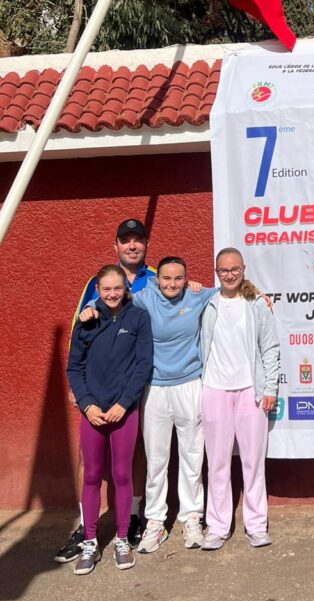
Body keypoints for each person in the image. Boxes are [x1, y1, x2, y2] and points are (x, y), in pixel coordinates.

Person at [79, 256, 218, 554]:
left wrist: (259, 295)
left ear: (186, 279)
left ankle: (192, 517)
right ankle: (155, 521)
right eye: (166, 278)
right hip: (154, 387)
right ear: (157, 280)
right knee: (156, 459)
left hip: (189, 385)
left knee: (192, 455)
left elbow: (231, 291)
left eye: (178, 278)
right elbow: (110, 297)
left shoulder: (197, 295)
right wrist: (89, 307)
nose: (172, 284)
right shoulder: (143, 298)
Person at [55, 218, 155, 564]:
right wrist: (80, 394)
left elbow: (184, 293)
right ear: (116, 245)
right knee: (90, 464)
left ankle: (132, 520)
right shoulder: (93, 286)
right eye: (126, 240)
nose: (132, 245)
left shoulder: (155, 278)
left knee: (132, 457)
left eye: (137, 240)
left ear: (145, 244)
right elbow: (77, 338)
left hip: (136, 388)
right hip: (94, 396)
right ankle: (87, 530)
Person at [199, 248, 280, 550]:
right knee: (217, 462)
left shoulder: (257, 304)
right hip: (214, 389)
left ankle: (256, 525)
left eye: (235, 269)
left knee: (253, 462)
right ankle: (217, 527)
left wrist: (270, 388)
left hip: (250, 390)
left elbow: (270, 348)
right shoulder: (207, 303)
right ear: (216, 272)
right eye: (224, 270)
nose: (230, 275)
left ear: (243, 269)